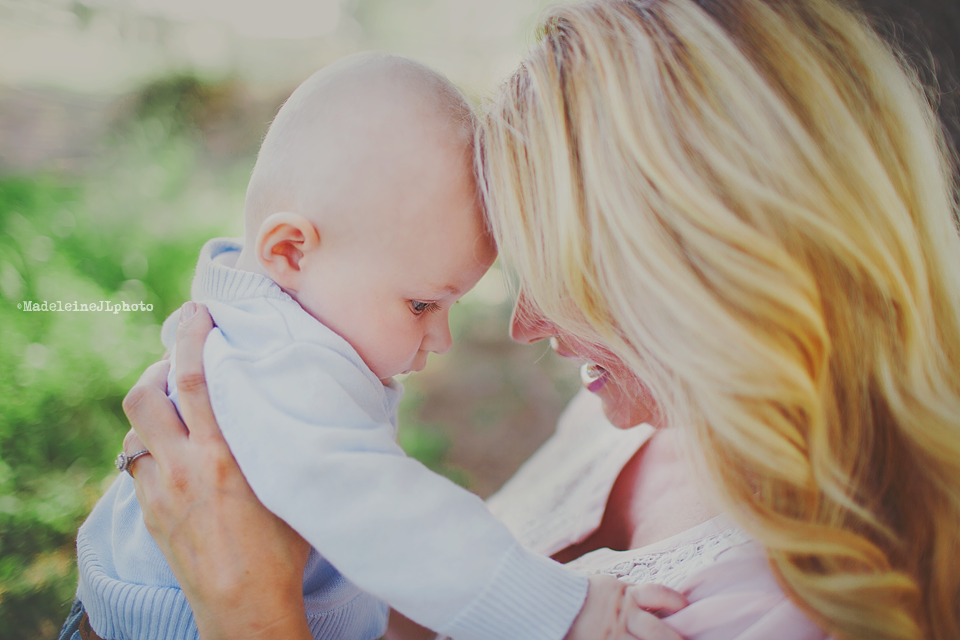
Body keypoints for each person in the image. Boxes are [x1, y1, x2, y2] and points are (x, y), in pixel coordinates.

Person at [112, 0, 960, 639]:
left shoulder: (781, 609)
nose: (523, 324)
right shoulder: (629, 416)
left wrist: (247, 605)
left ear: (702, 267)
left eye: (557, 265)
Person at [66, 53, 687, 640]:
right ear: (290, 252)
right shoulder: (274, 358)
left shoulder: (278, 330)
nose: (440, 339)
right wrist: (567, 612)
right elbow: (385, 517)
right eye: (422, 305)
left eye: (450, 306)